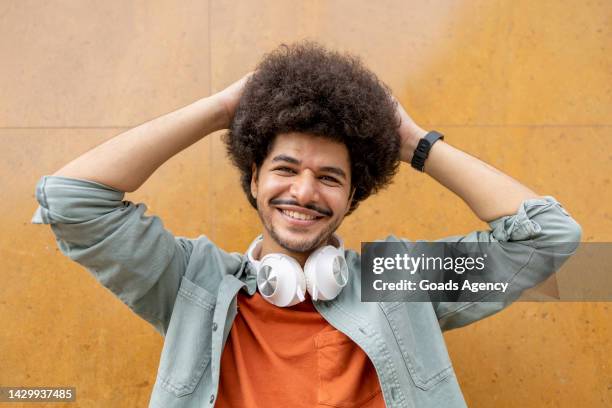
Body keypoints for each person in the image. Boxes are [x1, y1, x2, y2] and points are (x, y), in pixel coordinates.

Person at [32, 41, 582, 407]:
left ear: (353, 195)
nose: (303, 192)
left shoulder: (397, 281)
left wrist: (412, 141)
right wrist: (223, 109)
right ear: (253, 178)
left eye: (330, 177)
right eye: (286, 168)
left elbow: (551, 236)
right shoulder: (192, 284)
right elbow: (73, 200)